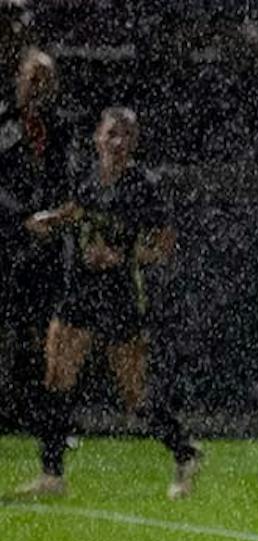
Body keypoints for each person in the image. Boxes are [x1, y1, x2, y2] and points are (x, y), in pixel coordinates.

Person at [13, 105, 200, 499]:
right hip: (79, 289)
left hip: (119, 296)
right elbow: (78, 211)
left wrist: (122, 257)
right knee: (57, 378)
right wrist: (49, 219)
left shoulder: (143, 186)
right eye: (112, 134)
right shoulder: (85, 176)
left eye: (127, 135)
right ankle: (52, 475)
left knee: (135, 397)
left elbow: (163, 246)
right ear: (98, 137)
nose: (118, 142)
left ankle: (185, 453)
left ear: (134, 143)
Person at [0, 49, 72, 439]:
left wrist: (55, 217)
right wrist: (24, 217)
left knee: (44, 335)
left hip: (46, 247)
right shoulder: (3, 121)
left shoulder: (61, 128)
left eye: (46, 79)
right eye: (33, 77)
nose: (38, 86)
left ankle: (41, 421)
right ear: (18, 80)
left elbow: (69, 181)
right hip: (7, 239)